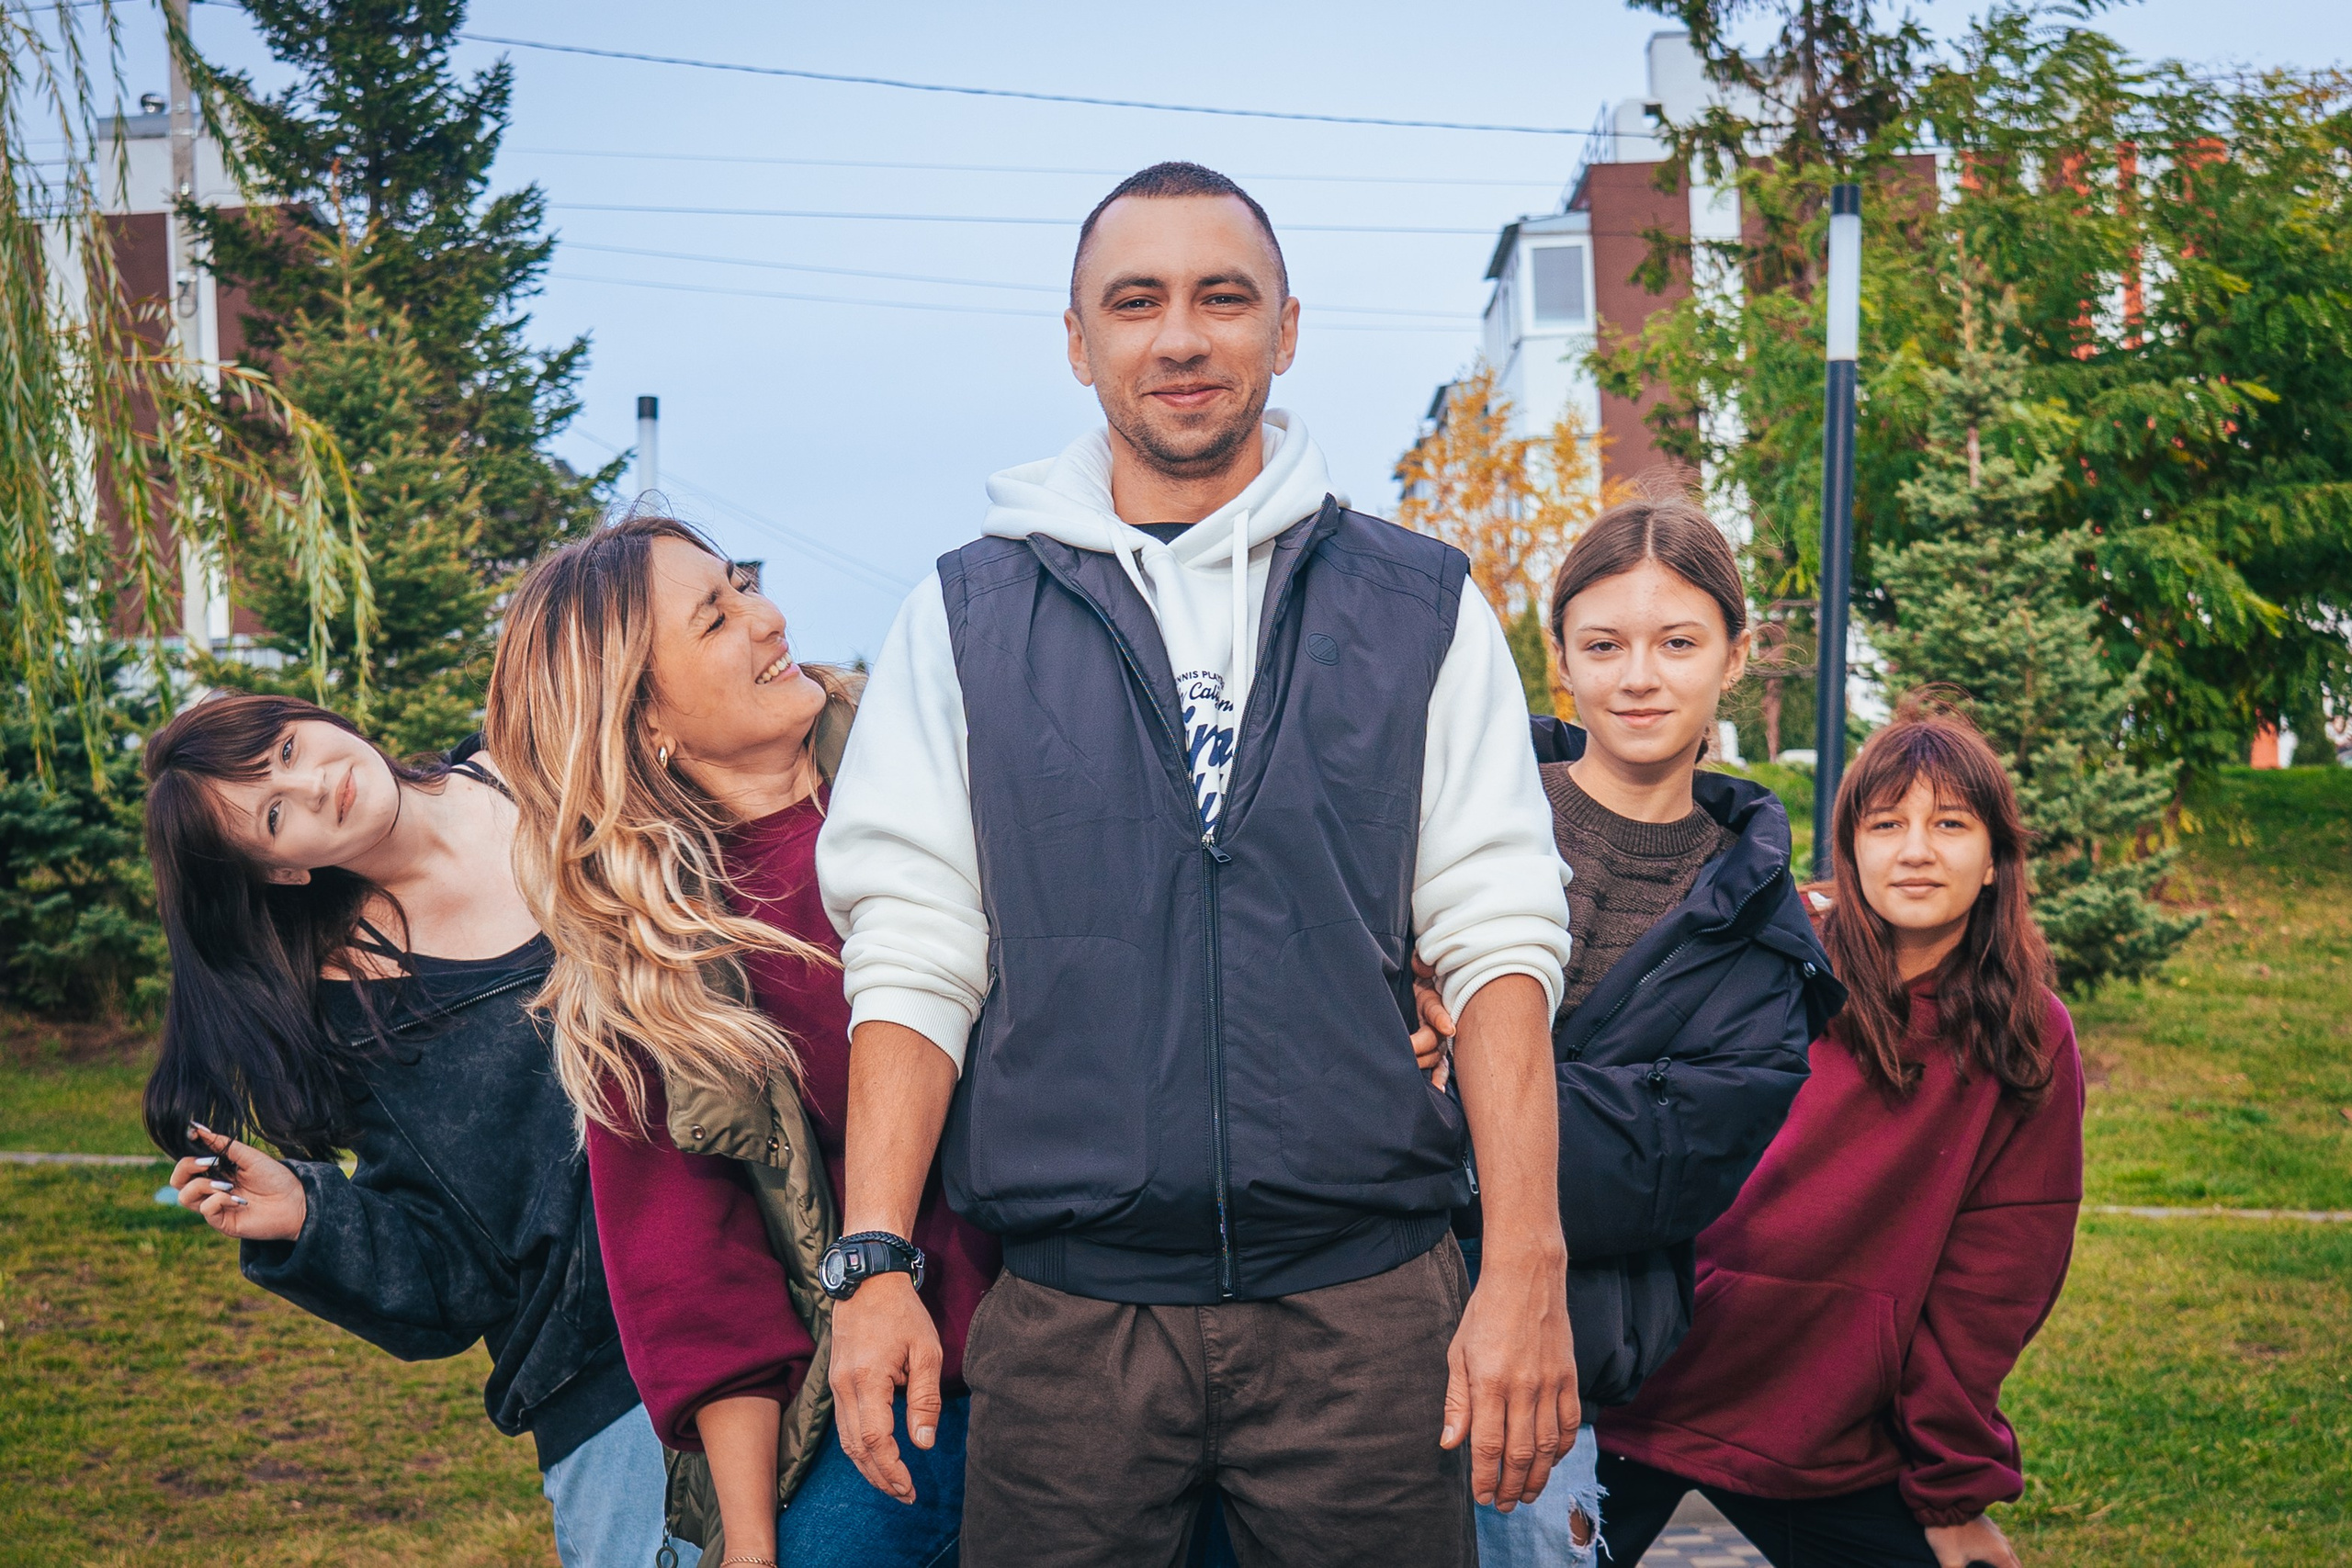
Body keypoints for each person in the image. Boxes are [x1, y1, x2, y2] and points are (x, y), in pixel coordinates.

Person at [815, 160, 1578, 1568]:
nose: (1181, 336)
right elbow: (913, 948)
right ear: (1077, 338)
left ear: (1287, 328)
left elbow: (1500, 932)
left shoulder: (1420, 604)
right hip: (1070, 1326)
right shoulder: (963, 615)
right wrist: (873, 1259)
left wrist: (1529, 1259)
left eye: (1224, 297)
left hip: (1367, 1315)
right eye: (1136, 301)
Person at [484, 515, 1001, 1568]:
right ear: (641, 721)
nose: (769, 620)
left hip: (1102, 1314)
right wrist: (755, 1547)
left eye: (744, 588)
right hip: (908, 1382)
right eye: (715, 619)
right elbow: (692, 1278)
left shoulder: (942, 761)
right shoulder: (648, 963)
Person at [141, 691, 667, 1567]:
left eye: (285, 749)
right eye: (274, 815)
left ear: (311, 715)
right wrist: (312, 1220)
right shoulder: (353, 1014)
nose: (314, 785)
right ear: (282, 872)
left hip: (803, 1271)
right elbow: (455, 1272)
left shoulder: (543, 759)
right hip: (619, 1396)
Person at [1429, 494, 1844, 1565]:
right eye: (1604, 644)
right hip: (1350, 1322)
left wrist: (1448, 1082)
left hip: (1547, 1363)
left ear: (1735, 657)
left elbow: (1660, 1166)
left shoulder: (1761, 929)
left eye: (1678, 643)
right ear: (1560, 659)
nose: (1639, 677)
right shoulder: (1447, 818)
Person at [1593, 698, 2086, 1568]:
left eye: (1951, 823)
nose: (1916, 850)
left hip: (1825, 1425)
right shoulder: (1772, 958)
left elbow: (1991, 1287)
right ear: (1851, 849)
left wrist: (1951, 1487)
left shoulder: (2027, 1037)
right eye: (1886, 823)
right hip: (1640, 1383)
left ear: (1995, 860)